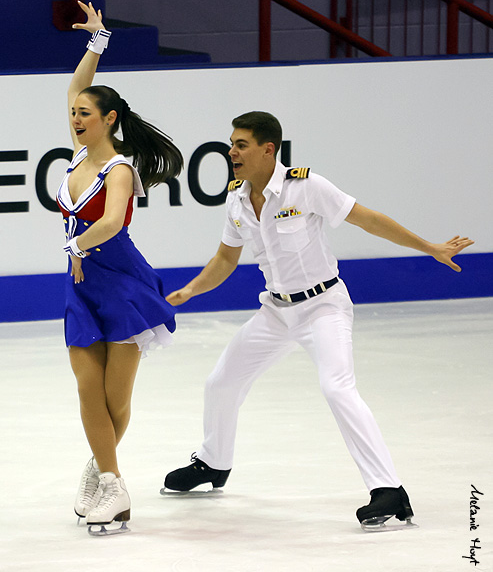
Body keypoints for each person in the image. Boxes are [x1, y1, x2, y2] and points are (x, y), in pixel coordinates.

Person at [163, 111, 473, 530]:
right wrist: (189, 291)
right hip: (275, 311)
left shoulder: (305, 186)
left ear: (267, 149)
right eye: (231, 143)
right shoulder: (237, 198)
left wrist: (428, 246)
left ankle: (389, 491)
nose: (231, 151)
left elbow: (369, 219)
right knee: (221, 381)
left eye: (241, 144)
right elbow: (225, 258)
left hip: (322, 306)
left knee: (336, 387)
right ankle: (214, 465)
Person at [57, 2, 183, 534]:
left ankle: (104, 475)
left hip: (120, 282)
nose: (76, 118)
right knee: (88, 391)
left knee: (115, 398)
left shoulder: (120, 167)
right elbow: (75, 88)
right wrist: (98, 40)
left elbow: (110, 223)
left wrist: (78, 247)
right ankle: (111, 479)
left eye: (87, 114)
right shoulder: (76, 157)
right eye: (74, 114)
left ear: (109, 119)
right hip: (81, 284)